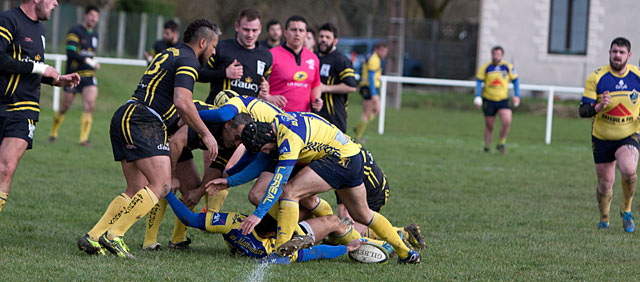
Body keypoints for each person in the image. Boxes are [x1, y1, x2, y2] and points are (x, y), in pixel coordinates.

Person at [76, 19, 220, 259]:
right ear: (203, 42)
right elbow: (182, 101)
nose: (214, 52)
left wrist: (178, 121)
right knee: (161, 184)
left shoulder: (169, 53)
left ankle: (93, 236)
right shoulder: (188, 60)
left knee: (135, 188)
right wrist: (207, 134)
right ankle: (115, 236)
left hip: (126, 115)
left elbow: (165, 99)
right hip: (144, 120)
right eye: (214, 46)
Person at [225, 113, 421, 263]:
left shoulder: (289, 140)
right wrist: (229, 181)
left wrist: (258, 214)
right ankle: (406, 252)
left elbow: (278, 183)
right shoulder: (276, 124)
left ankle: (281, 252)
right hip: (353, 156)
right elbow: (261, 162)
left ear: (267, 138)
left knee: (290, 191)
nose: (267, 153)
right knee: (362, 214)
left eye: (266, 149)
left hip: (338, 159)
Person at [0, 0, 80, 215]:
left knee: (6, 169)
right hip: (2, 103)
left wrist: (55, 80)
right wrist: (40, 68)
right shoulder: (8, 20)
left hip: (24, 109)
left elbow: (30, 69)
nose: (56, 3)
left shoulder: (40, 29)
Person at [163, 190, 379, 264]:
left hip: (249, 239)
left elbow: (190, 219)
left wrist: (168, 193)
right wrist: (346, 249)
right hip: (302, 236)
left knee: (306, 208)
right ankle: (375, 239)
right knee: (332, 221)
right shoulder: (280, 246)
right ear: (272, 233)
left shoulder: (234, 223)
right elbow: (314, 253)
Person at [141, 109, 252, 251]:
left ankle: (178, 241)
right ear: (228, 124)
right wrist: (171, 176)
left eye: (241, 141)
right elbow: (175, 142)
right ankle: (149, 242)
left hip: (179, 145)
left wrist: (199, 192)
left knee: (191, 190)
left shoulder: (230, 142)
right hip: (159, 137)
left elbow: (216, 168)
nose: (237, 144)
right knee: (164, 184)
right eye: (237, 137)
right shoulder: (210, 124)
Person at [579, 37, 640, 232]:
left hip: (629, 134)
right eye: (614, 52)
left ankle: (626, 210)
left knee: (629, 170)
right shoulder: (597, 77)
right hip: (602, 137)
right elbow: (583, 111)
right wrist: (598, 106)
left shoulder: (637, 77)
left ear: (628, 55)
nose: (617, 56)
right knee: (605, 184)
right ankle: (604, 218)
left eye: (621, 52)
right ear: (609, 53)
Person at [49, 5, 100, 146]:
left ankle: (83, 139)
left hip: (89, 75)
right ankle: (54, 131)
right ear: (85, 15)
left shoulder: (95, 35)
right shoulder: (75, 31)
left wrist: (92, 62)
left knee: (90, 105)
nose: (94, 19)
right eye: (92, 15)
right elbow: (71, 53)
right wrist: (89, 61)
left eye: (96, 16)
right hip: (73, 75)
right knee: (64, 107)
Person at [199, 8, 272, 105]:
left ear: (260, 29)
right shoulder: (221, 48)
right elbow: (199, 74)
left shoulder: (266, 55)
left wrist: (265, 89)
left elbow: (265, 83)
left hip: (248, 115)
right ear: (237, 27)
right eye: (246, 30)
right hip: (219, 113)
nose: (250, 35)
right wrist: (224, 73)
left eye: (254, 30)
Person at [268, 15, 322, 112]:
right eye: (293, 30)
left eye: (301, 30)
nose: (297, 34)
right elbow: (260, 84)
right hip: (275, 117)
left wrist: (316, 99)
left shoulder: (313, 58)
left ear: (305, 34)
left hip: (303, 119)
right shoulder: (271, 55)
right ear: (285, 32)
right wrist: (268, 97)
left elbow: (316, 85)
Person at [473, 46, 520, 153]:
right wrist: (477, 96)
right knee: (490, 125)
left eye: (498, 54)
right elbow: (479, 82)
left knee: (507, 120)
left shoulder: (507, 67)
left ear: (502, 55)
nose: (495, 56)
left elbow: (516, 81)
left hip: (503, 99)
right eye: (494, 54)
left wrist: (517, 95)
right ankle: (487, 146)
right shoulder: (485, 67)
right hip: (488, 100)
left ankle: (501, 143)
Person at [315, 22, 356, 133]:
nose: (323, 40)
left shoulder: (341, 60)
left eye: (328, 37)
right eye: (321, 36)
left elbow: (351, 86)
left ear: (335, 41)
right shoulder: (312, 58)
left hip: (334, 118)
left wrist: (325, 88)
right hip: (313, 116)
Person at [354, 42, 388, 143]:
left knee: (375, 111)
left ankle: (359, 127)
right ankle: (358, 137)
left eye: (386, 51)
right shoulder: (374, 59)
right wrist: (373, 93)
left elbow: (361, 70)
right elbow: (371, 77)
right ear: (377, 49)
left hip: (367, 87)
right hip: (369, 88)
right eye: (383, 51)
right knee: (368, 113)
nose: (384, 53)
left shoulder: (371, 57)